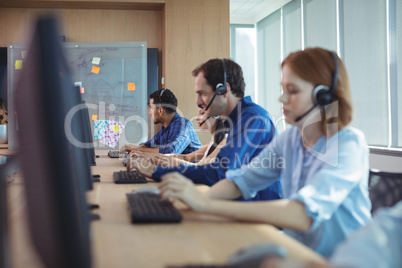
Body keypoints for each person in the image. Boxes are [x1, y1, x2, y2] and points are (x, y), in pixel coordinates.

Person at [154, 48, 372, 258]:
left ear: (323, 96)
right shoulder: (290, 140)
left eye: (293, 91)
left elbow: (303, 213)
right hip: (299, 256)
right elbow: (240, 181)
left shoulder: (348, 145)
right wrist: (189, 203)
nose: (282, 98)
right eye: (283, 88)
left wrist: (205, 204)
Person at [129, 58, 282, 202]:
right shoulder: (240, 120)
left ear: (223, 89)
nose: (198, 101)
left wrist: (157, 172)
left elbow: (219, 173)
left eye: (202, 93)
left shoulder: (253, 119)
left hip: (257, 217)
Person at [120, 88, 202, 155]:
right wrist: (135, 148)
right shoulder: (166, 127)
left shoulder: (183, 125)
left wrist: (138, 150)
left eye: (151, 108)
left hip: (192, 174)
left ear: (160, 110)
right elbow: (149, 145)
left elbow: (170, 152)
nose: (149, 112)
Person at [142, 108, 228, 167]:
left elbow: (198, 166)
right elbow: (185, 157)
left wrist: (162, 160)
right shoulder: (211, 143)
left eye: (201, 113)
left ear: (215, 115)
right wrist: (149, 156)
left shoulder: (223, 143)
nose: (197, 118)